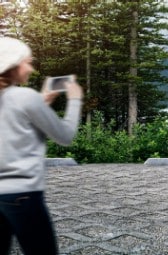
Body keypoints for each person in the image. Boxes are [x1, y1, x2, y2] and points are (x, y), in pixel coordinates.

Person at [0, 37, 83, 255]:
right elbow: (65, 136)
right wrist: (75, 100)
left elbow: (14, 123)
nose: (31, 67)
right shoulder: (25, 97)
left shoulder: (21, 99)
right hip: (23, 196)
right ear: (12, 66)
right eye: (26, 62)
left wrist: (43, 101)